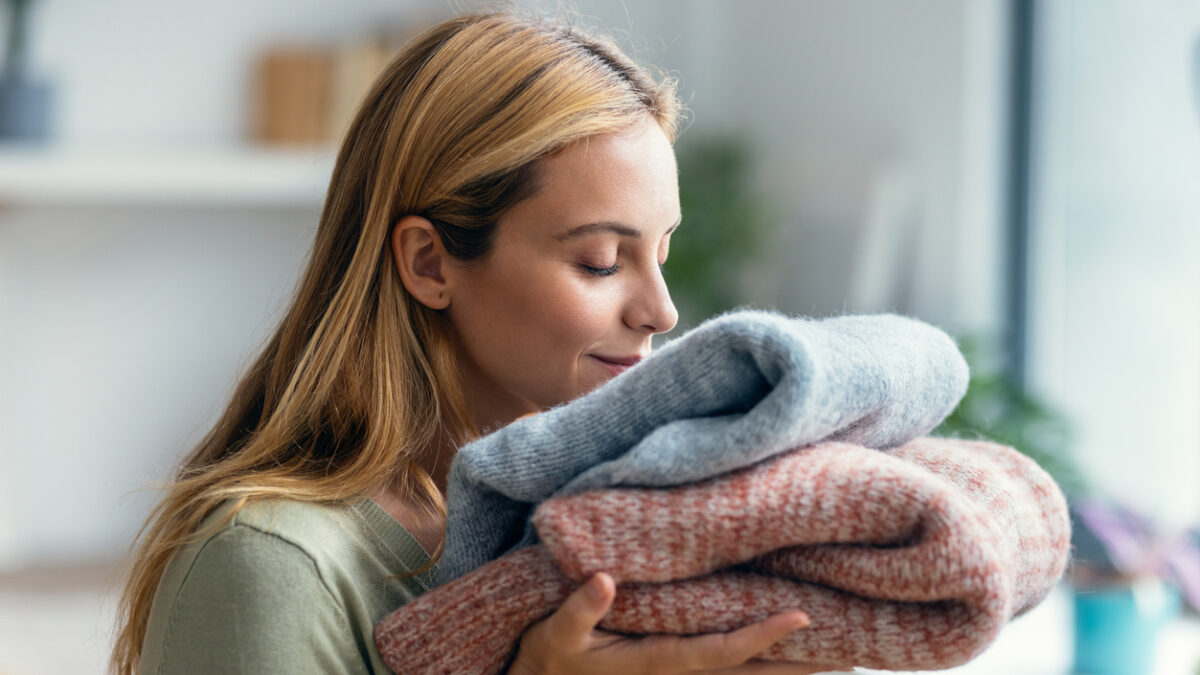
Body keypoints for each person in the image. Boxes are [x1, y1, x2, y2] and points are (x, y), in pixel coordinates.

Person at [111, 11, 850, 674]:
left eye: (660, 254)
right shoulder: (268, 567)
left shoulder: (588, 527)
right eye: (599, 260)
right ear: (430, 262)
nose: (661, 311)